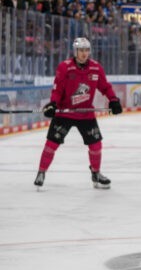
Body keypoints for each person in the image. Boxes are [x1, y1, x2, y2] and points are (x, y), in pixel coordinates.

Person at [34, 37, 122, 189]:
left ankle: (96, 172)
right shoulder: (65, 67)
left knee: (96, 145)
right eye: (81, 50)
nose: (84, 53)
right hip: (64, 113)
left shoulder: (96, 68)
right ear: (75, 52)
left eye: (86, 50)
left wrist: (113, 100)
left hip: (85, 114)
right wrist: (53, 104)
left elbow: (105, 87)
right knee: (51, 144)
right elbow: (57, 89)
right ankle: (41, 172)